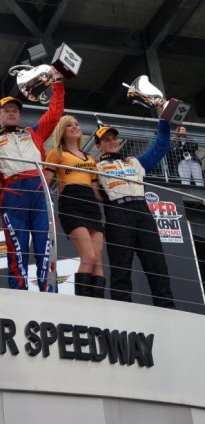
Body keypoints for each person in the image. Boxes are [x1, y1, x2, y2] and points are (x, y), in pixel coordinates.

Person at [95, 100, 175, 309]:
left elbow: (161, 146)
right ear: (98, 145)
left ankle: (168, 309)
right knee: (121, 267)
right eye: (106, 139)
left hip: (142, 210)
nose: (112, 141)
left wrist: (164, 120)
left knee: (157, 265)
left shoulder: (135, 162)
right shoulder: (94, 167)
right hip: (117, 213)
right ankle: (123, 313)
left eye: (114, 138)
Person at [0, 66, 65, 292]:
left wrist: (58, 81)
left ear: (20, 114)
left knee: (46, 247)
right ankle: (18, 295)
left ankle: (48, 292)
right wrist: (6, 188)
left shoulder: (33, 133)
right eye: (6, 110)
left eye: (15, 110)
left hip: (39, 190)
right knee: (17, 249)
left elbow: (55, 113)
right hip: (13, 193)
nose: (11, 112)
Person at [45, 115, 105, 297]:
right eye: (68, 125)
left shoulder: (91, 159)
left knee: (98, 261)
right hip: (71, 202)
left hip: (91, 205)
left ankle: (99, 307)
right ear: (61, 131)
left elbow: (96, 192)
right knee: (89, 257)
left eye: (76, 124)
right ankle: (84, 305)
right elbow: (45, 182)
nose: (74, 127)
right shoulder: (56, 153)